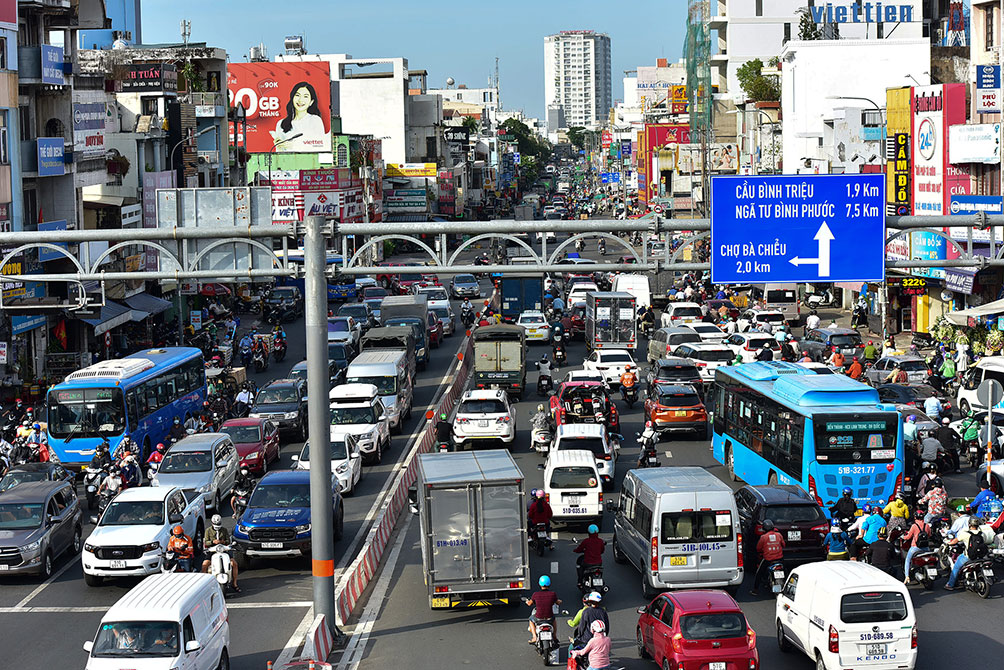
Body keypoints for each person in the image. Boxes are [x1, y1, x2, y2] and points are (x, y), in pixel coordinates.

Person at [271, 81, 328, 152]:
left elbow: (320, 145)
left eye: (305, 96)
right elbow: (279, 153)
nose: (301, 100)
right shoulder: (281, 123)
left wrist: (294, 146)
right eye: (297, 95)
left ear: (311, 102)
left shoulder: (315, 120)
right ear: (292, 98)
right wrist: (279, 146)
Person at [944, 516, 994, 591]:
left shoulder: (965, 534)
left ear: (969, 524)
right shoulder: (982, 534)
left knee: (956, 568)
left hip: (968, 557)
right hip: (981, 557)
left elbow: (955, 541)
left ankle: (950, 584)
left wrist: (948, 544)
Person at [201, 514, 240, 592]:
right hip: (212, 550)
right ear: (212, 523)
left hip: (224, 550)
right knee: (204, 565)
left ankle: (234, 583)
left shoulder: (224, 530)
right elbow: (206, 542)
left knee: (234, 564)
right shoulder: (208, 531)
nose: (217, 526)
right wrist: (213, 542)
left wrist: (222, 542)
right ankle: (204, 585)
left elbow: (228, 541)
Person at [750, 520, 785, 595]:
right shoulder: (779, 535)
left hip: (768, 559)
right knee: (785, 570)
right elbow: (783, 544)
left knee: (759, 573)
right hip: (779, 558)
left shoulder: (763, 537)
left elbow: (758, 548)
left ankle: (755, 590)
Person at [524, 575, 560, 644]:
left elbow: (529, 603)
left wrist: (527, 601)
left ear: (540, 584)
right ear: (549, 584)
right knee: (554, 620)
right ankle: (554, 636)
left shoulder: (535, 594)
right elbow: (557, 602)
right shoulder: (553, 594)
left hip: (538, 618)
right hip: (549, 618)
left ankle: (534, 637)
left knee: (531, 620)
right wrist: (559, 601)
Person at [902, 513, 932, 584]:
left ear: (915, 517)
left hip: (915, 548)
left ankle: (907, 576)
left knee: (907, 560)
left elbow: (908, 537)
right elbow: (929, 535)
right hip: (926, 548)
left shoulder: (914, 526)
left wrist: (903, 537)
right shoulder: (927, 525)